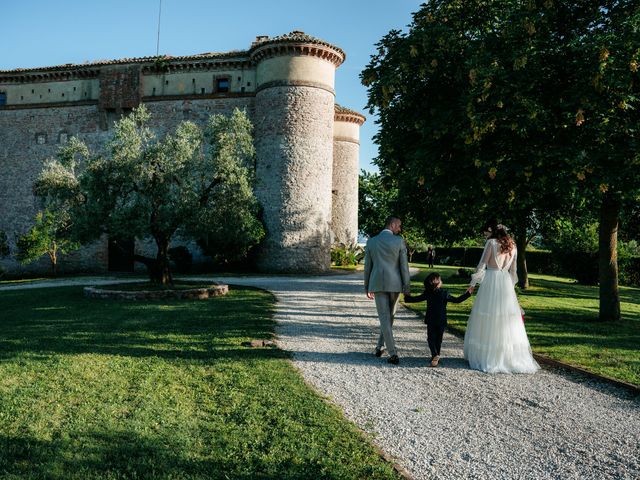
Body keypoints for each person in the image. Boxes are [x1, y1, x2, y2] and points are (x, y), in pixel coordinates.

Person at [463, 221, 540, 374]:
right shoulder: (513, 245)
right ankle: (507, 357)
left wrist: (472, 283)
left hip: (491, 281)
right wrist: (510, 290)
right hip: (505, 283)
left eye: (485, 232)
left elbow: (481, 265)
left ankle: (488, 357)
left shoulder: (491, 243)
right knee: (505, 319)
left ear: (491, 231)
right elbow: (513, 271)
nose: (485, 235)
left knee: (488, 317)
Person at [364, 215, 411, 365]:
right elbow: (404, 267)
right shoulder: (399, 241)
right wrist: (406, 286)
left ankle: (379, 347)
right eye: (399, 226)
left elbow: (367, 267)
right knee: (389, 317)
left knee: (386, 318)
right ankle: (393, 353)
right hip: (395, 284)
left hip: (377, 283)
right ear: (392, 224)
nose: (400, 229)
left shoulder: (372, 242)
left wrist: (367, 286)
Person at [405, 272, 474, 367]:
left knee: (431, 339)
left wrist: (406, 296)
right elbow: (457, 300)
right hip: (441, 320)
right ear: (437, 283)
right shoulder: (444, 293)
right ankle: (437, 356)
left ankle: (435, 355)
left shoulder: (428, 293)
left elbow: (415, 299)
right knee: (438, 339)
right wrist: (468, 294)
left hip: (431, 320)